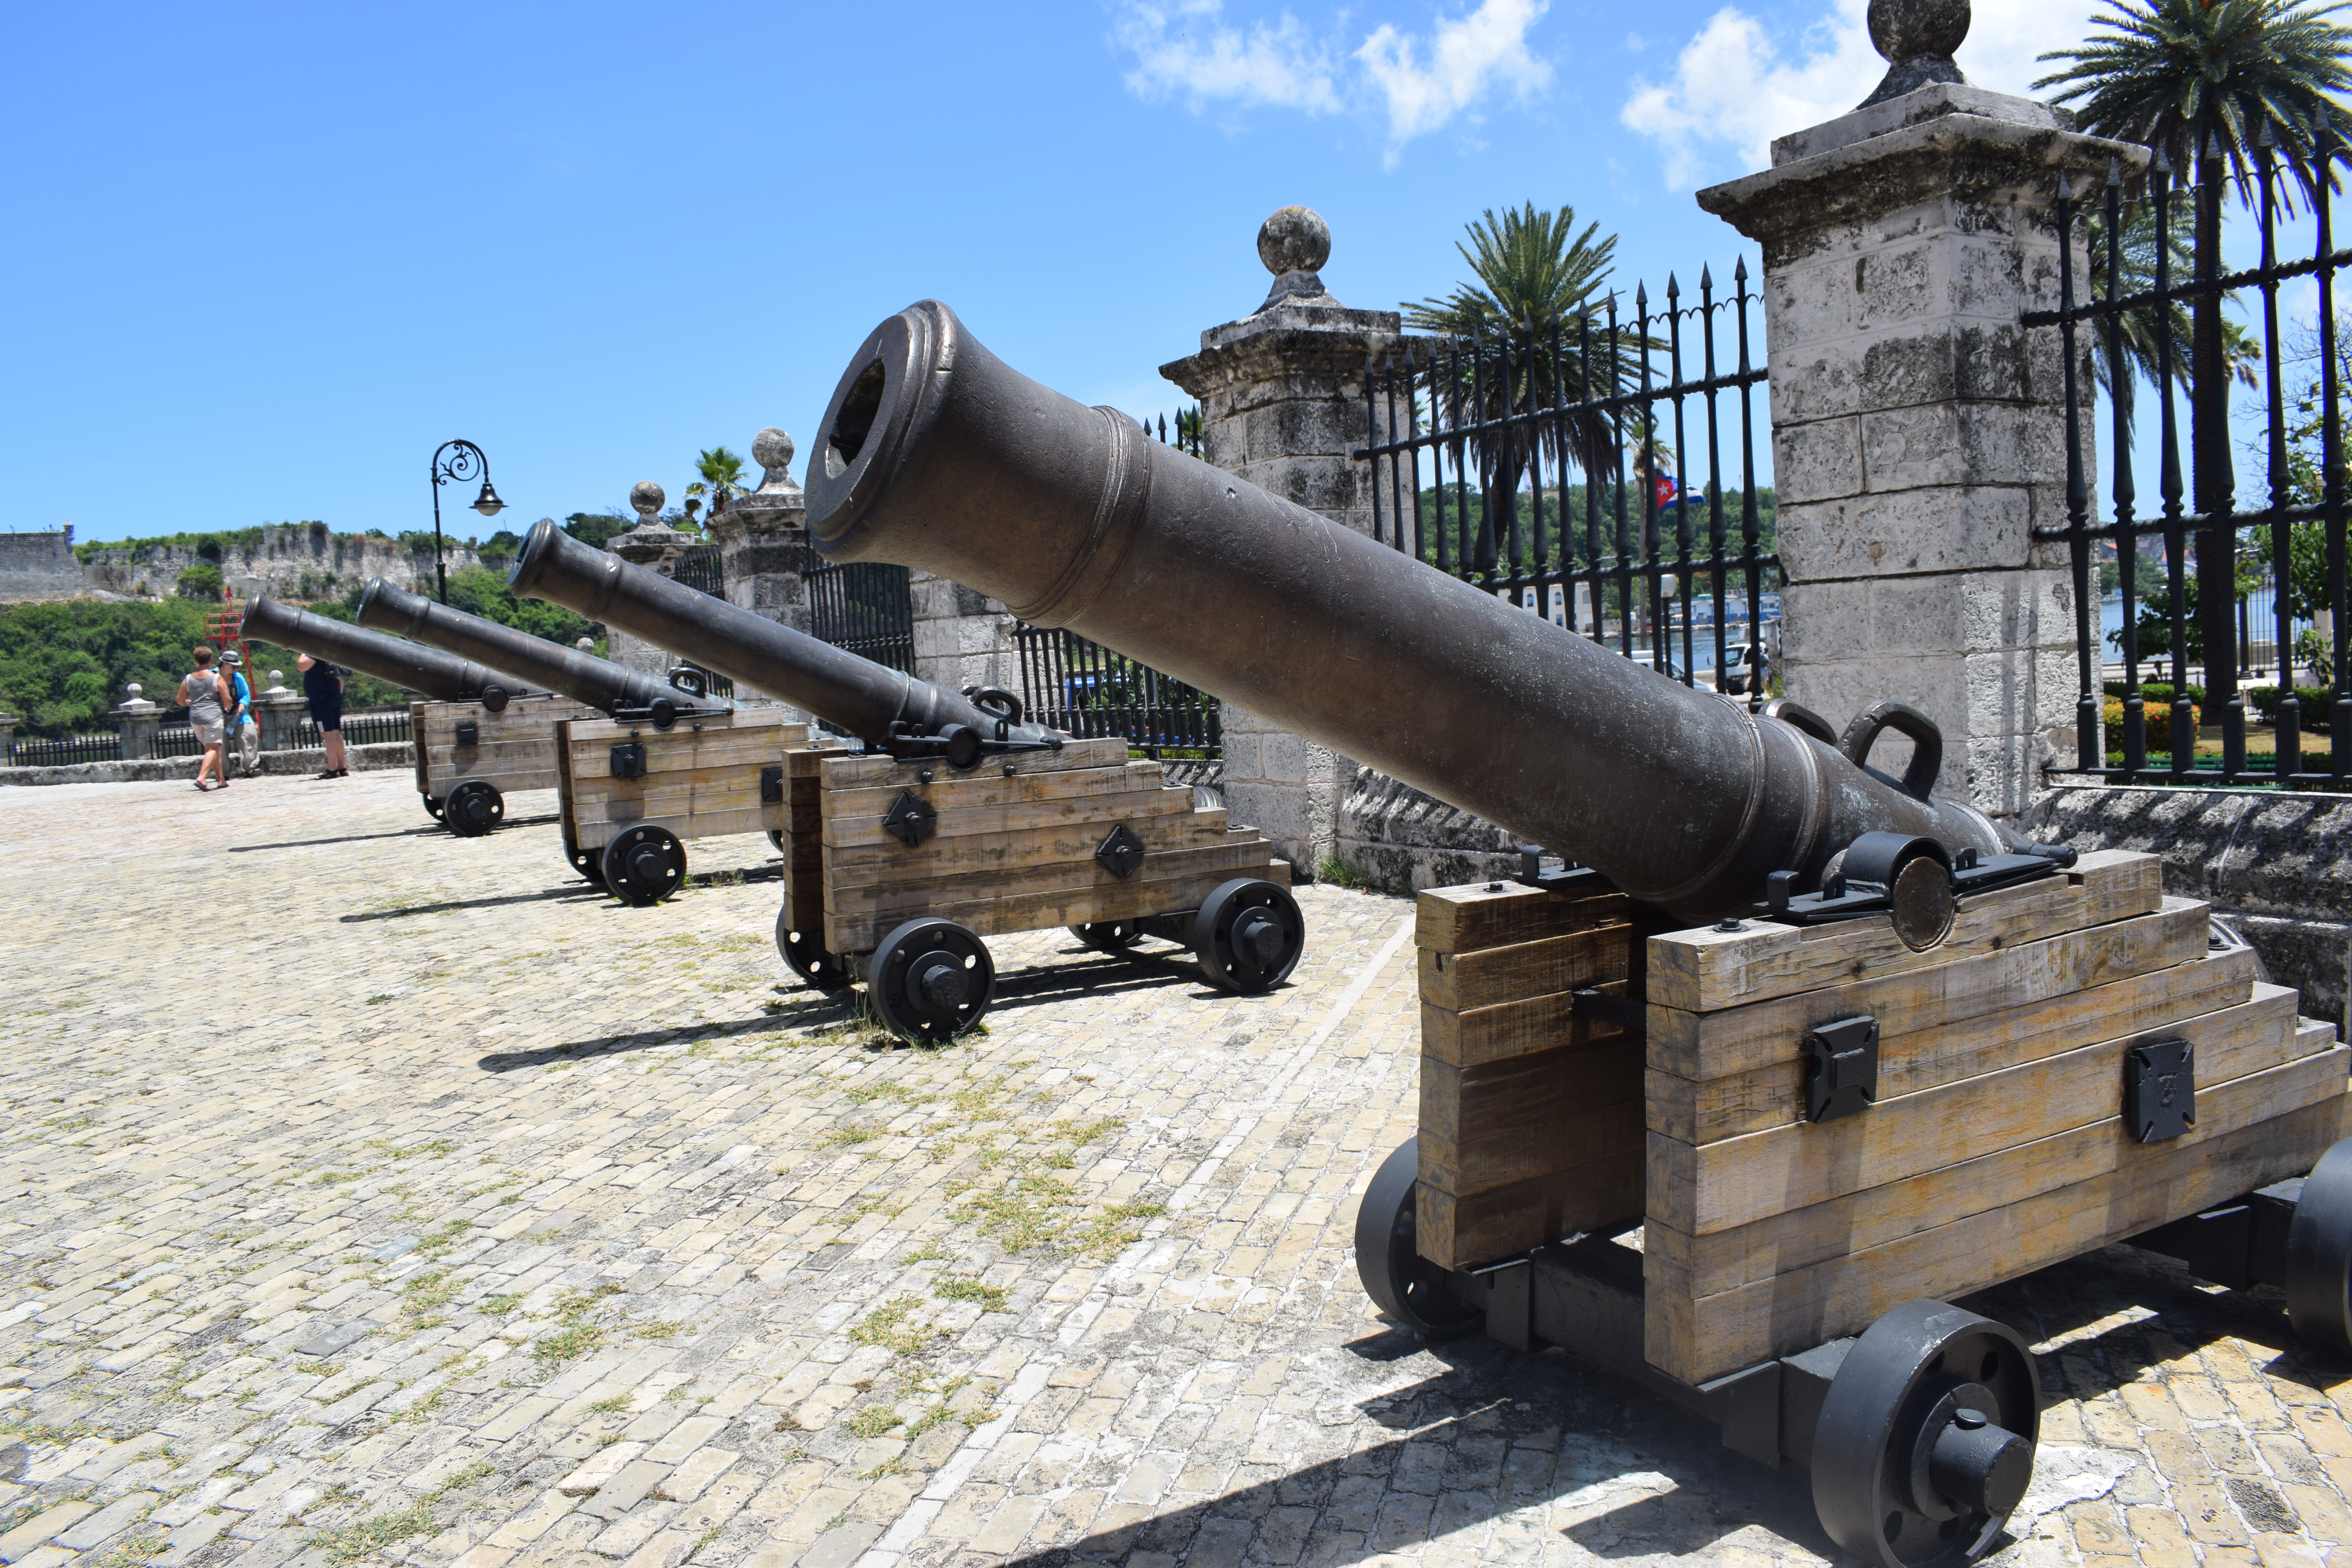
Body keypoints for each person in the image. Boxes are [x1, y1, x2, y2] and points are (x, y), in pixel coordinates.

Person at [179, 646, 232, 793]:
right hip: (213, 717)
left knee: (214, 748)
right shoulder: (216, 678)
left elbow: (180, 700)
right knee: (213, 748)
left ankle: (221, 780)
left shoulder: (188, 679)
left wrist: (190, 703)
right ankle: (202, 778)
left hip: (196, 719)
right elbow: (227, 699)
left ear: (196, 660)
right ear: (210, 660)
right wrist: (227, 707)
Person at [298, 652, 347, 779]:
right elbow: (341, 676)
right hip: (334, 694)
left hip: (321, 698)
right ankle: (342, 767)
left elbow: (302, 665)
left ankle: (332, 769)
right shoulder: (332, 652)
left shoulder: (315, 651)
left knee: (327, 733)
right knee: (335, 732)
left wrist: (304, 652)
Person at [221, 650, 259, 779]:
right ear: (224, 664)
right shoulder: (213, 676)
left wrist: (242, 705)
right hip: (219, 716)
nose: (235, 669)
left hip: (239, 715)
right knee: (220, 744)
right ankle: (224, 773)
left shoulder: (238, 677)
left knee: (249, 735)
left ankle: (250, 767)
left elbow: (245, 695)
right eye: (233, 666)